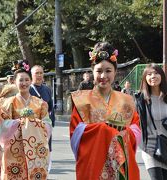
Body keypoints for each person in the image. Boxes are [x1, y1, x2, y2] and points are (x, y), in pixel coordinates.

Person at [70, 42, 141, 179]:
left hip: (121, 163)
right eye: (99, 71)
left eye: (108, 71)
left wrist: (122, 133)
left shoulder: (127, 101)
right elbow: (76, 134)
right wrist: (105, 130)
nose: (103, 76)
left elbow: (136, 130)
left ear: (115, 72)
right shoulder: (81, 100)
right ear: (92, 72)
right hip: (93, 163)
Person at [0, 68, 52, 179]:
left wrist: (33, 123)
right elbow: (2, 125)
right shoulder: (8, 103)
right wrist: (19, 123)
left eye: (27, 80)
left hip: (35, 147)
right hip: (14, 149)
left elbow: (47, 123)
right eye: (21, 80)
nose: (24, 83)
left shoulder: (40, 103)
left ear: (31, 81)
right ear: (14, 82)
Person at [135, 63, 167, 180]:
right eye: (149, 74)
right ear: (145, 79)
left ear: (162, 76)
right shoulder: (140, 100)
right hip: (151, 147)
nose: (153, 76)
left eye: (156, 73)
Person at [29, 65, 55, 172]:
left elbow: (51, 107)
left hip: (45, 127)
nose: (39, 75)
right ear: (32, 75)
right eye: (36, 73)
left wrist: (51, 122)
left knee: (46, 151)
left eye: (41, 73)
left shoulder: (47, 89)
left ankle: (44, 173)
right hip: (32, 126)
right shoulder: (28, 89)